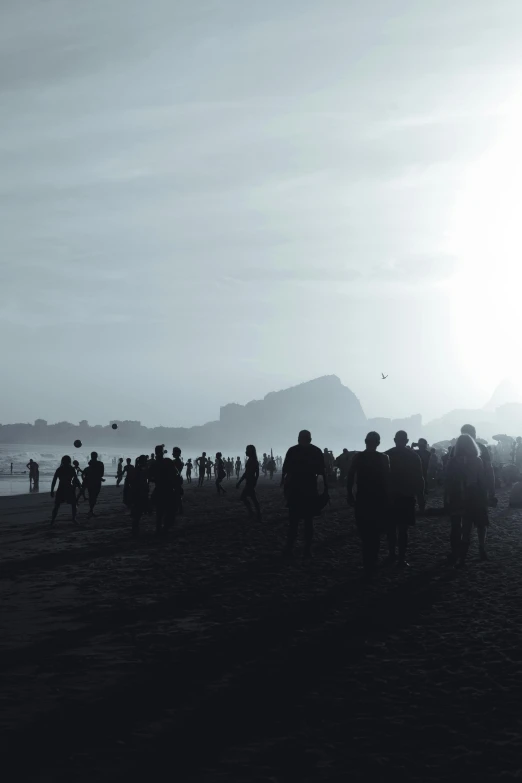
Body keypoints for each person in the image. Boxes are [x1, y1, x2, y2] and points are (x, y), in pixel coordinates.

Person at [347, 432, 390, 581]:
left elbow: (350, 476)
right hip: (379, 499)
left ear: (365, 441)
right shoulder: (384, 458)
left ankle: (367, 563)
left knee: (365, 532)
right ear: (378, 443)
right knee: (376, 533)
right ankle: (373, 562)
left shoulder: (358, 457)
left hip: (363, 498)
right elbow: (387, 479)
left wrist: (349, 494)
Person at [280, 430, 328, 559]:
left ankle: (290, 548)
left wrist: (285, 486)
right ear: (310, 439)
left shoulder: (293, 451)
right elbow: (322, 472)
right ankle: (306, 549)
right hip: (309, 489)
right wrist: (325, 489)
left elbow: (285, 471)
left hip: (296, 489)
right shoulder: (316, 451)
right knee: (307, 521)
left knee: (294, 522)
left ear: (299, 439)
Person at [445, 433, 489, 566]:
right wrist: (487, 495)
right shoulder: (477, 460)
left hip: (457, 495)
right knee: (479, 523)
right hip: (475, 494)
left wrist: (446, 497)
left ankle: (460, 554)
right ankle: (481, 547)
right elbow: (482, 480)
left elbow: (448, 481)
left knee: (462, 527)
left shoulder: (453, 461)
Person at [384, 431, 425, 568]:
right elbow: (420, 478)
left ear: (395, 440)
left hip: (390, 496)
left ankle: (391, 554)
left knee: (390, 528)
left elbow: (381, 478)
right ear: (407, 440)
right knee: (403, 529)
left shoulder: (387, 455)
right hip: (407, 496)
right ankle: (401, 558)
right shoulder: (413, 456)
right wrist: (421, 497)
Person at [450, 425, 496, 506]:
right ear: (473, 434)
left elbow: (448, 475)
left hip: (457, 489)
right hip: (477, 489)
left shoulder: (454, 450)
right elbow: (489, 470)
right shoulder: (481, 448)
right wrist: (491, 489)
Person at [148, 444, 178, 536]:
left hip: (159, 488)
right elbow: (176, 473)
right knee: (169, 510)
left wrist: (156, 479)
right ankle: (165, 528)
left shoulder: (154, 464)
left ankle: (158, 529)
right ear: (162, 452)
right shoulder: (167, 461)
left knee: (159, 511)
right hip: (168, 488)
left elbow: (149, 477)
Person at [50, 456, 81, 525]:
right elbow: (76, 479)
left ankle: (52, 520)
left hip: (61, 488)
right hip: (69, 488)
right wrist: (79, 487)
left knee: (57, 505)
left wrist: (52, 490)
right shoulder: (71, 469)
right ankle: (73, 519)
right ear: (69, 461)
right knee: (73, 504)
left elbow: (54, 480)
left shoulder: (59, 469)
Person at [237, 444, 261, 520]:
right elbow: (251, 473)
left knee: (245, 497)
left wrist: (240, 482)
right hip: (250, 481)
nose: (245, 452)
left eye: (247, 450)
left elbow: (255, 473)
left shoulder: (253, 461)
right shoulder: (251, 460)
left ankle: (254, 513)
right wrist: (240, 481)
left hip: (250, 481)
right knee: (252, 498)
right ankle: (255, 513)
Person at [130, 455, 150, 535]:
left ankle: (135, 528)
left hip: (137, 492)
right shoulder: (141, 470)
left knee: (137, 511)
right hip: (140, 492)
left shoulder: (137, 469)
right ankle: (135, 528)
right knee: (138, 511)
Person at [84, 452, 105, 518]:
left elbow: (86, 473)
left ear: (91, 456)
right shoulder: (100, 463)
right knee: (94, 496)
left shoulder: (90, 463)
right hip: (97, 481)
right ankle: (91, 510)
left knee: (91, 496)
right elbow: (101, 474)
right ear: (97, 456)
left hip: (90, 481)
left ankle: (91, 510)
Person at [172, 447, 185, 514]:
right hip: (178, 478)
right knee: (177, 494)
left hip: (176, 479)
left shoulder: (175, 461)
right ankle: (179, 509)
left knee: (177, 494)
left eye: (173, 452)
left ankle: (179, 509)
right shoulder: (179, 461)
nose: (172, 453)